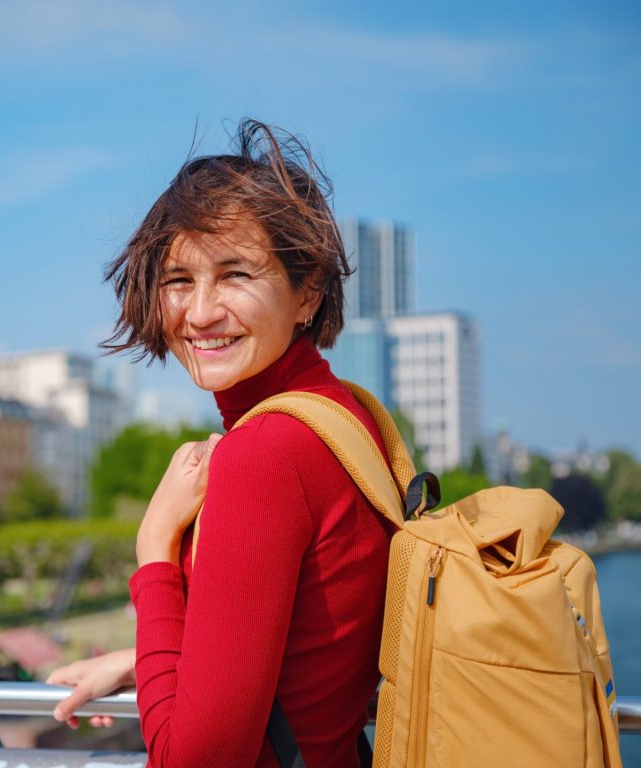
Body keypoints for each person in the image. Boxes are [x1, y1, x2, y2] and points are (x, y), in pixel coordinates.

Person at [47, 119, 393, 768]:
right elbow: (311, 646)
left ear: (307, 293)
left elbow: (194, 762)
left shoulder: (264, 454)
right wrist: (149, 659)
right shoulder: (348, 418)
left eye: (235, 274)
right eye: (179, 280)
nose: (200, 312)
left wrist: (153, 548)